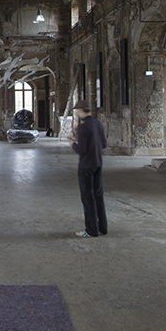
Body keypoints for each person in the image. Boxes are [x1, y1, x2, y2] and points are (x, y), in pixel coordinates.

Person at [69, 99, 107, 237]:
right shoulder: (98, 124)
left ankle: (91, 230)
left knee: (87, 197)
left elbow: (82, 149)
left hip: (86, 166)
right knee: (98, 196)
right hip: (97, 163)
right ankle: (102, 227)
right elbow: (103, 144)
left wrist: (73, 144)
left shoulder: (84, 127)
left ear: (80, 110)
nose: (77, 113)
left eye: (77, 111)